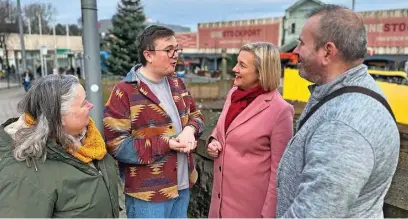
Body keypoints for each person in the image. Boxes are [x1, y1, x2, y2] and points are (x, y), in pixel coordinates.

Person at [276, 5, 399, 218]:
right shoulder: (358, 95)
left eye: (302, 43)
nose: (295, 51)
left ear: (327, 52)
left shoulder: (344, 127)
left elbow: (314, 214)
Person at [103, 25, 205, 218]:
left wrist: (190, 130)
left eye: (177, 49)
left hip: (182, 186)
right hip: (147, 196)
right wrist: (166, 144)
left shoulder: (177, 82)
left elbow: (197, 115)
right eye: (168, 50)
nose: (175, 55)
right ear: (148, 55)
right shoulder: (124, 92)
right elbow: (116, 145)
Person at [0, 74, 119, 217]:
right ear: (59, 118)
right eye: (83, 104)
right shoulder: (23, 176)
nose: (90, 105)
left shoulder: (88, 140)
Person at [207, 42, 294, 218]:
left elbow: (280, 172)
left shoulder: (280, 110)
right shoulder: (233, 94)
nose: (234, 69)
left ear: (261, 72)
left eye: (242, 65)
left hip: (250, 209)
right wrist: (213, 140)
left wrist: (268, 215)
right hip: (219, 204)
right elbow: (222, 129)